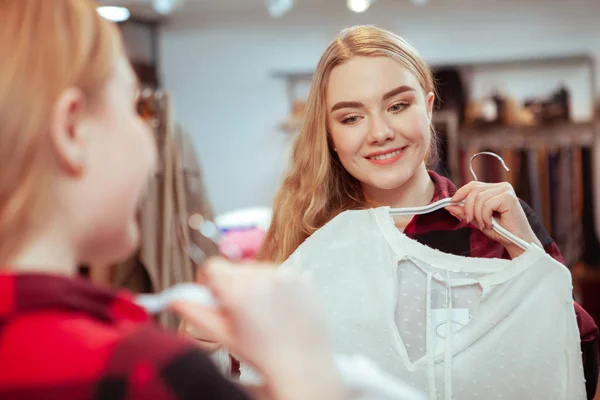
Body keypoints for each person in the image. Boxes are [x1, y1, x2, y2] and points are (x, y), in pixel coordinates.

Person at [0, 1, 348, 399]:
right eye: (136, 109)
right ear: (72, 131)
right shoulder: (144, 371)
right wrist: (305, 369)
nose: (149, 142)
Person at [251, 25, 596, 397]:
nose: (380, 132)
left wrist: (525, 253)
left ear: (428, 107)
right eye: (352, 117)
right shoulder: (307, 239)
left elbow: (578, 366)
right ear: (330, 134)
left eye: (398, 106)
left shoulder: (495, 225)